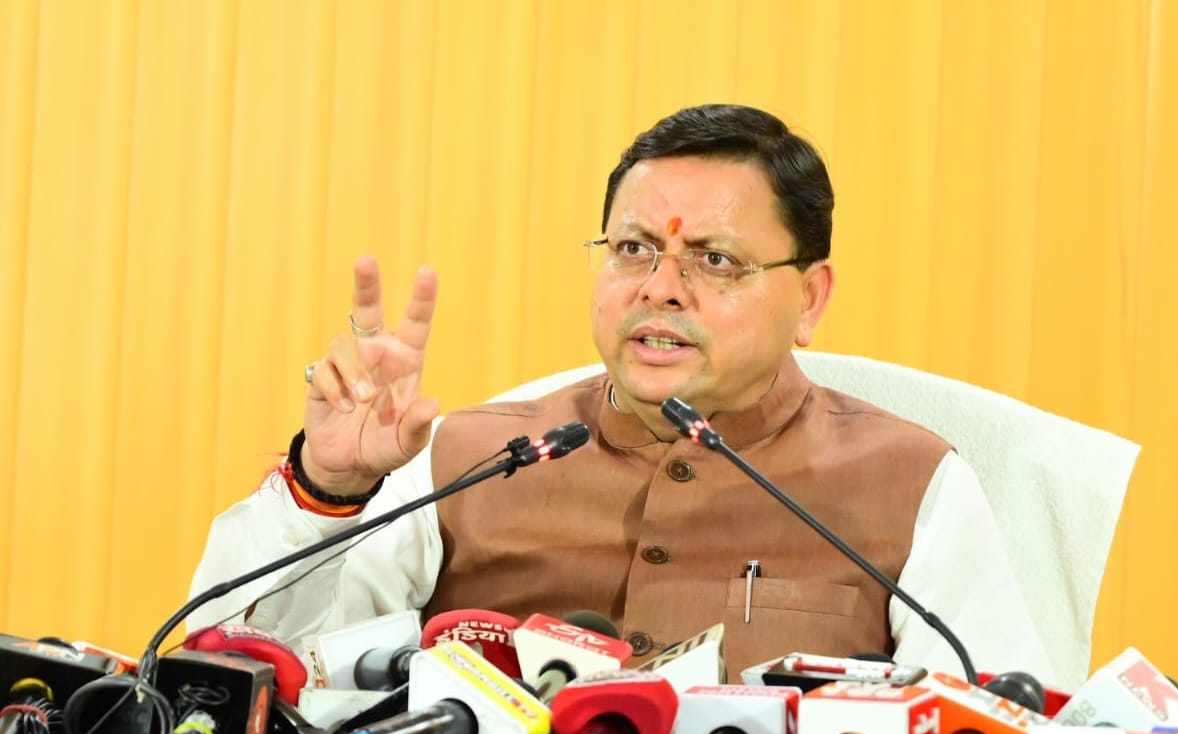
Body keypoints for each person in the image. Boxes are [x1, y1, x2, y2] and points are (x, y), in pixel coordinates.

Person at [190, 104, 1054, 684]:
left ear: (810, 299)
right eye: (634, 249)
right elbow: (243, 670)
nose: (661, 288)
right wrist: (330, 487)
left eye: (715, 260)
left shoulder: (910, 483)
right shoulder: (462, 461)